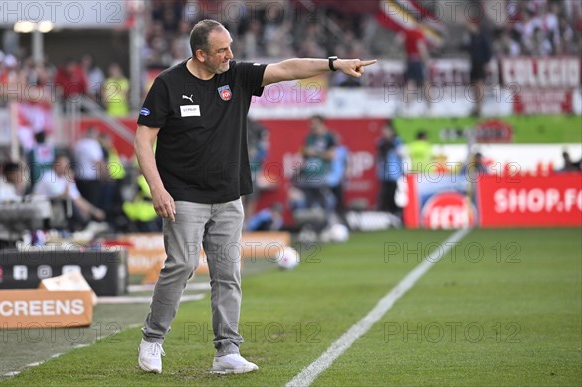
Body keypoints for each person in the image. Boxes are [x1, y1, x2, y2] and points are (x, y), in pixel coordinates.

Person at [134, 19, 376, 375]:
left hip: (230, 197)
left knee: (228, 274)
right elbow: (142, 140)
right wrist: (157, 188)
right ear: (201, 54)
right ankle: (153, 340)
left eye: (231, 46)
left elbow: (288, 68)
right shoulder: (168, 84)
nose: (231, 54)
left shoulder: (237, 75)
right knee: (181, 266)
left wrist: (333, 64)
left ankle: (227, 353)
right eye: (222, 50)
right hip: (183, 196)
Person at [33, 154, 105, 231]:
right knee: (68, 202)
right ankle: (83, 225)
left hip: (56, 209)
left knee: (79, 206)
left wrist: (93, 211)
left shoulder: (64, 178)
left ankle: (87, 225)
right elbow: (64, 196)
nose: (65, 168)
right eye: (63, 165)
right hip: (43, 208)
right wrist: (68, 182)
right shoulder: (49, 177)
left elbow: (77, 198)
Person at [463, 19, 492, 116]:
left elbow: (487, 50)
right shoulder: (471, 37)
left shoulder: (481, 36)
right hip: (473, 63)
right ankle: (476, 106)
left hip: (480, 63)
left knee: (479, 84)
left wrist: (486, 62)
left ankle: (480, 107)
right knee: (474, 84)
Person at [376, 122, 404, 216]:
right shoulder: (381, 142)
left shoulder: (397, 142)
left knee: (395, 195)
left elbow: (401, 155)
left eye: (386, 131)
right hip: (384, 173)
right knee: (385, 194)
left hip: (394, 174)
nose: (384, 133)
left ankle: (396, 213)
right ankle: (386, 213)